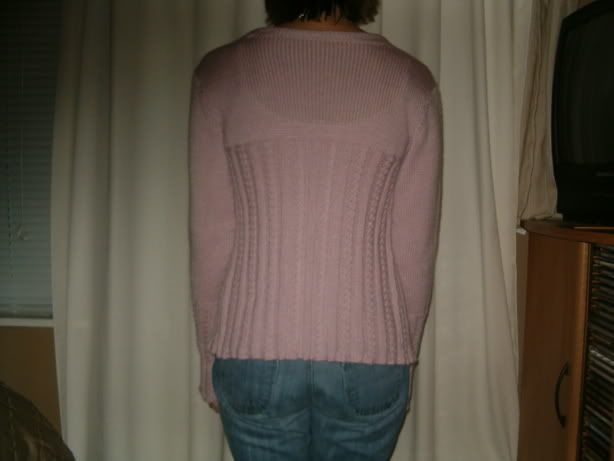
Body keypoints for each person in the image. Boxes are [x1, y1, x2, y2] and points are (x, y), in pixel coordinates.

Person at [187, 0, 443, 459]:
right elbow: (414, 248)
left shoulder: (219, 73)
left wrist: (208, 357)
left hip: (250, 356)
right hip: (372, 360)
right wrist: (405, 354)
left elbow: (211, 239)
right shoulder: (411, 81)